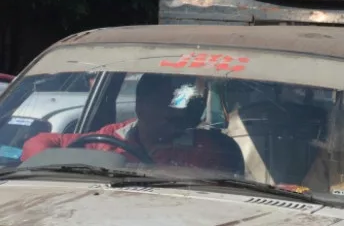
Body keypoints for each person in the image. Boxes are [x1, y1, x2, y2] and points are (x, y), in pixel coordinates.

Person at [22, 73, 243, 174]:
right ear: (140, 106)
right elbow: (40, 143)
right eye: (164, 102)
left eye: (181, 104)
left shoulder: (211, 147)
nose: (173, 111)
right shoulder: (109, 140)